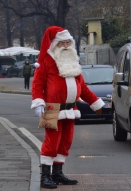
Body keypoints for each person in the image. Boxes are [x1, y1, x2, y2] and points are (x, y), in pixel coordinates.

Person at [31, 26, 104, 189]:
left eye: (67, 42)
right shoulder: (47, 61)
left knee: (65, 142)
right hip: (51, 109)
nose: (65, 46)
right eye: (62, 43)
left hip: (71, 109)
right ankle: (45, 176)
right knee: (51, 142)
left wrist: (95, 103)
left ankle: (57, 173)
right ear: (55, 44)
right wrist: (38, 101)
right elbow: (37, 84)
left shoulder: (72, 62)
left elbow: (82, 88)